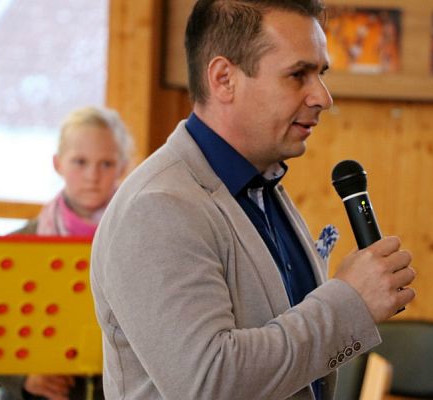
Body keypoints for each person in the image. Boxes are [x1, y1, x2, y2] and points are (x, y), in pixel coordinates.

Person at [90, 1, 416, 399]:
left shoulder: (261, 185)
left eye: (321, 74)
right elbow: (210, 382)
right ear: (224, 79)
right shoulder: (157, 207)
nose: (322, 97)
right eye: (298, 75)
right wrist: (350, 303)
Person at [0, 106, 134, 400]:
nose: (92, 175)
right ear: (58, 163)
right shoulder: (17, 246)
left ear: (122, 167)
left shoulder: (140, 239)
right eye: (80, 161)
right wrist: (22, 378)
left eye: (106, 163)